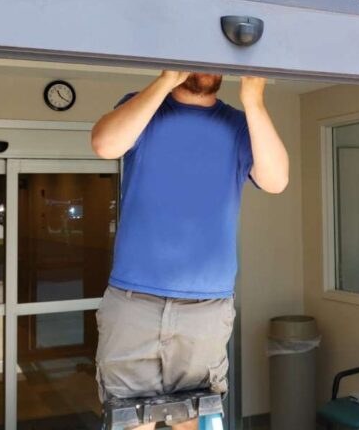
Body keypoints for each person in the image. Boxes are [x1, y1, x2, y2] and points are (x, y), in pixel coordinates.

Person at [91, 70, 289, 430]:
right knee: (127, 420)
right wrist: (167, 80)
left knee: (196, 419)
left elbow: (276, 181)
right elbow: (105, 144)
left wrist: (254, 102)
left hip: (206, 308)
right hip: (134, 302)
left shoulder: (240, 124)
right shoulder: (144, 106)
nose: (204, 67)